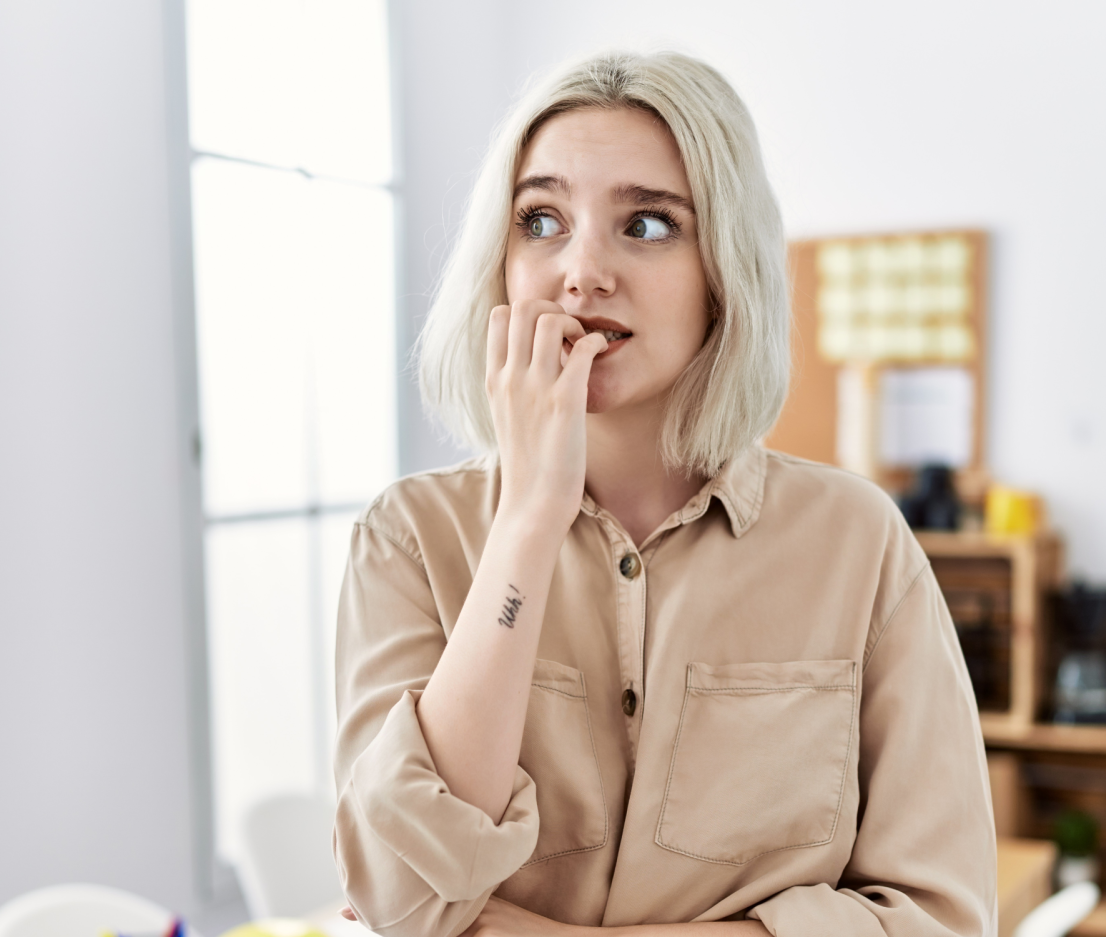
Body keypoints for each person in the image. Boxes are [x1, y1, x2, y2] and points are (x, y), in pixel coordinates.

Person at [332, 50, 996, 937]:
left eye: (645, 225)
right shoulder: (408, 538)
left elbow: (939, 918)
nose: (580, 271)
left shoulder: (859, 542)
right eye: (539, 218)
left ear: (724, 271)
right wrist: (528, 518)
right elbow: (399, 895)